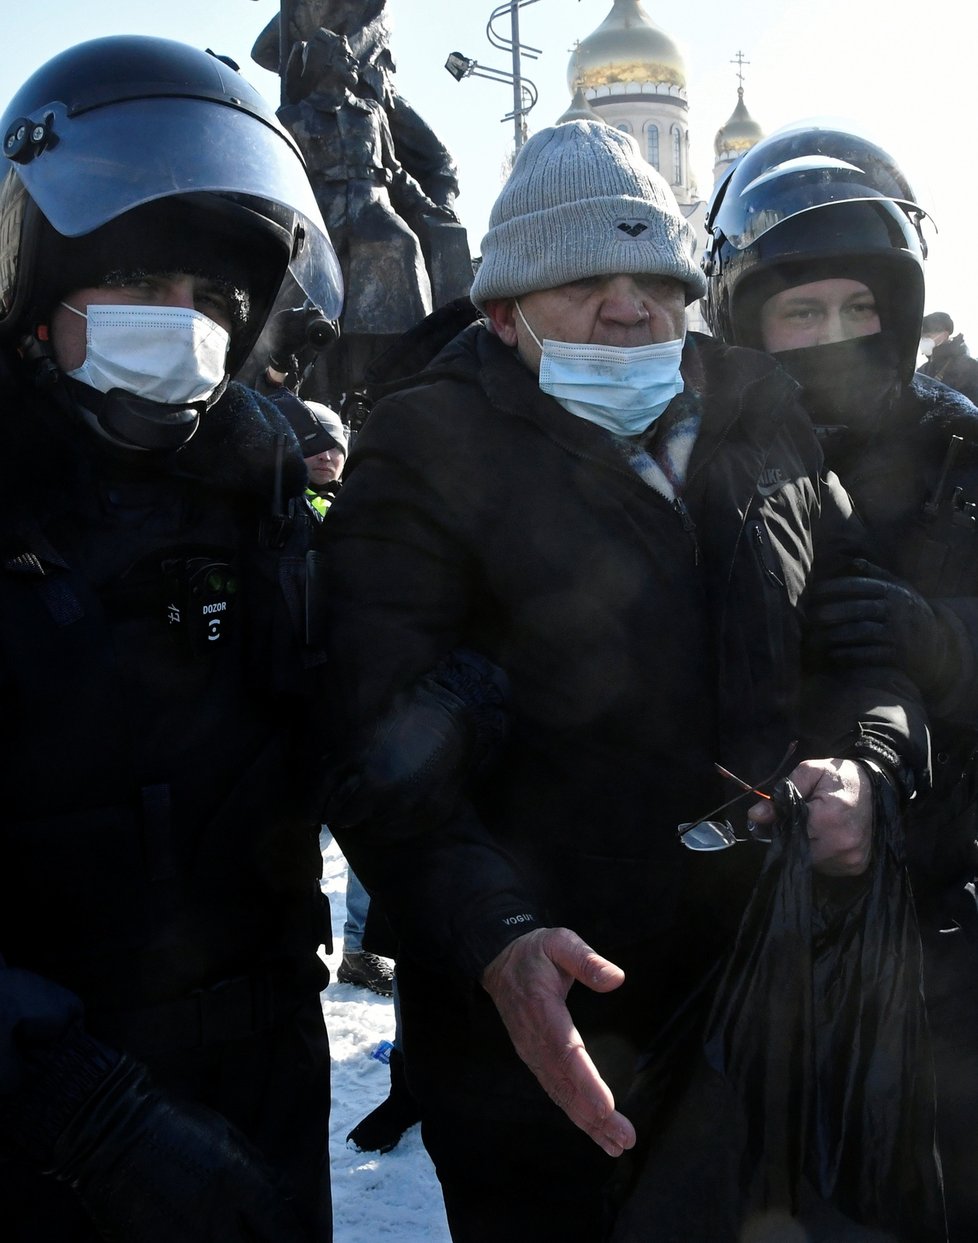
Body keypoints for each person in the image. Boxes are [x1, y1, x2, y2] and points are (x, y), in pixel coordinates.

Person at [316, 120, 930, 1241]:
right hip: (540, 1038)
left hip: (757, 1004)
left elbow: (858, 648)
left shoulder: (766, 417)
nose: (628, 306)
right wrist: (495, 936)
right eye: (580, 278)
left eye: (655, 277)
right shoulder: (425, 447)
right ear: (505, 313)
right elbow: (370, 743)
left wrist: (871, 767)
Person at [0, 36, 343, 1243]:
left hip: (269, 1087)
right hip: (51, 1136)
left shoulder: (263, 501)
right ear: (37, 301)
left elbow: (333, 732)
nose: (181, 323)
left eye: (209, 300)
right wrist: (75, 1107)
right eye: (141, 280)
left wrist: (442, 706)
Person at [703, 120, 978, 1242]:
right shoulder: (701, 451)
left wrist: (946, 643)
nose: (835, 336)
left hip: (944, 918)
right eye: (800, 312)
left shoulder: (962, 452)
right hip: (746, 928)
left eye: (860, 310)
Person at [919, 311, 978, 405]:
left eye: (928, 336)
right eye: (922, 337)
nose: (924, 341)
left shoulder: (971, 367)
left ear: (945, 335)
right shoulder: (922, 370)